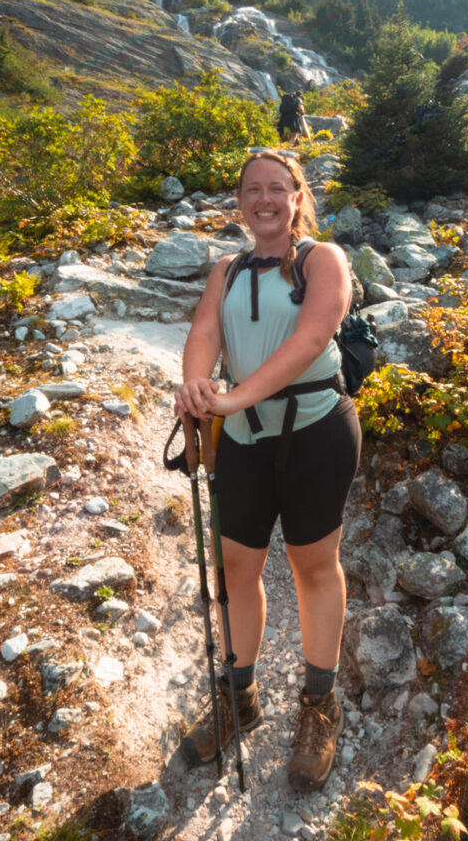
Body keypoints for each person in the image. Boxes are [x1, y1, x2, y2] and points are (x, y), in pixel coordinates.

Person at [174, 150, 362, 791]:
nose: (264, 199)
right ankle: (240, 695)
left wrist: (230, 398)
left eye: (276, 188)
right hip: (244, 440)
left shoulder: (322, 259)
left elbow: (312, 339)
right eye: (252, 190)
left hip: (315, 433)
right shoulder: (226, 269)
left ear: (296, 195)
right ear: (241, 201)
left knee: (312, 567)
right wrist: (197, 385)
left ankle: (319, 703)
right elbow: (204, 331)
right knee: (236, 567)